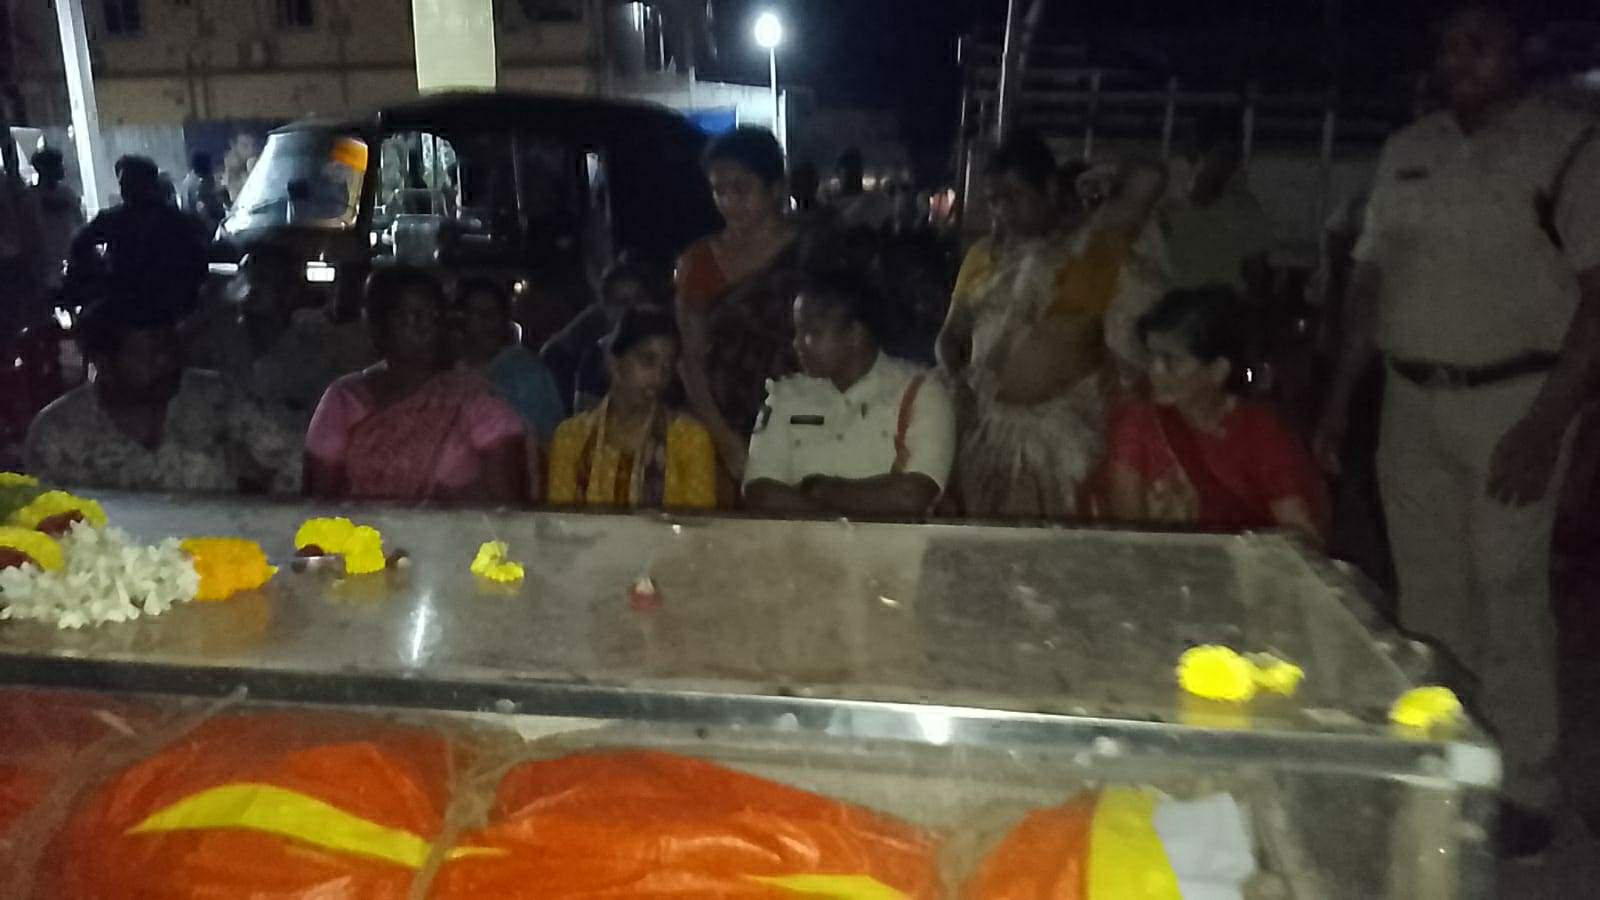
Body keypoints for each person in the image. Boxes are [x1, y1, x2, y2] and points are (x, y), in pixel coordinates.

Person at [1312, 2, 1600, 855]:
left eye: (1482, 44)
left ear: (1520, 50)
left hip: (1514, 401)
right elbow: (1368, 285)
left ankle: (1526, 787)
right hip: (1409, 398)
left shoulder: (1569, 147)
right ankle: (1449, 764)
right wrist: (1338, 403)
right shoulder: (1411, 149)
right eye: (1451, 46)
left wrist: (1549, 423)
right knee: (1428, 600)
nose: (1463, 60)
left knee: (1507, 590)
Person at [936, 133, 1166, 519]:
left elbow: (1149, 177)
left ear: (1050, 188)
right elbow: (955, 336)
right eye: (995, 200)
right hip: (986, 432)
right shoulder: (992, 261)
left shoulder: (1093, 249)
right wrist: (958, 384)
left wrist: (1100, 177)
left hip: (1060, 441)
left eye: (1014, 195)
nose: (1003, 210)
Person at [1106, 286, 1328, 542]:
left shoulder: (1259, 433)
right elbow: (1128, 533)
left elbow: (1300, 538)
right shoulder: (1138, 422)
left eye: (1171, 360)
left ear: (1218, 370)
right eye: (1152, 356)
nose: (1155, 371)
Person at [24, 301, 298, 494]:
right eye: (149, 354)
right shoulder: (58, 431)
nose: (166, 362)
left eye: (170, 349)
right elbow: (46, 518)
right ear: (104, 362)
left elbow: (294, 464)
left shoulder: (219, 400)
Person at [304, 267, 527, 504]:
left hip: (454, 528)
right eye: (414, 317)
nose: (428, 328)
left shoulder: (476, 400)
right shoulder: (345, 398)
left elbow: (507, 508)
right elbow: (317, 503)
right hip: (358, 528)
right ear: (379, 326)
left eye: (436, 317)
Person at [745, 267, 955, 517]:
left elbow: (912, 496)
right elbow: (760, 492)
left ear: (856, 335)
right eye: (797, 331)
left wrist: (819, 490)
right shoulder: (786, 396)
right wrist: (843, 520)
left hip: (889, 545)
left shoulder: (920, 393)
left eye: (811, 332)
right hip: (802, 543)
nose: (797, 343)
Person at [675, 126, 802, 479]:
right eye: (719, 191)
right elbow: (691, 361)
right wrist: (727, 442)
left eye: (741, 189)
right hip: (724, 425)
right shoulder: (699, 262)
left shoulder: (812, 254)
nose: (729, 203)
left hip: (806, 423)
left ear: (775, 189)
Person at [185, 244, 375, 432]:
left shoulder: (314, 351)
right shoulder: (217, 337)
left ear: (289, 292)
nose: (252, 289)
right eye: (248, 278)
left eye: (264, 280)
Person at [546, 306, 717, 510]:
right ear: (614, 364)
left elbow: (698, 527)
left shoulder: (688, 440)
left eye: (667, 367)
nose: (658, 378)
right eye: (647, 361)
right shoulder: (571, 438)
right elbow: (562, 523)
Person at [69, 155, 207, 321]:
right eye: (123, 184)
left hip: (129, 304)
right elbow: (200, 262)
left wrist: (99, 271)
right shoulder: (176, 219)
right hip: (167, 306)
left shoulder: (115, 219)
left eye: (128, 183)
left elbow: (79, 244)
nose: (124, 189)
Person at [1161, 113, 1274, 304]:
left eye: (1234, 153)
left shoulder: (1243, 206)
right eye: (1224, 153)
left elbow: (1257, 272)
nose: (1233, 161)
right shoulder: (1163, 199)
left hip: (1220, 308)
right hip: (1168, 305)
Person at [542, 254, 668, 412]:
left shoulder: (669, 346)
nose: (631, 310)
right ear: (606, 309)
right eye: (622, 303)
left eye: (639, 299)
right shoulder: (591, 359)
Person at [456, 278, 565, 444]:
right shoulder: (451, 374)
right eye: (478, 313)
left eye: (494, 312)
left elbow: (548, 434)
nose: (487, 321)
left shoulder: (528, 372)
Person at [27, 148, 83, 299]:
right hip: (44, 261)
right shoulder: (31, 197)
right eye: (57, 164)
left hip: (69, 257)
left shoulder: (67, 193)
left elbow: (79, 223)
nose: (62, 168)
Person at [179, 151, 228, 235]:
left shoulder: (187, 181)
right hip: (203, 232)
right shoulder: (201, 185)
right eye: (211, 166)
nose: (213, 170)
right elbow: (203, 212)